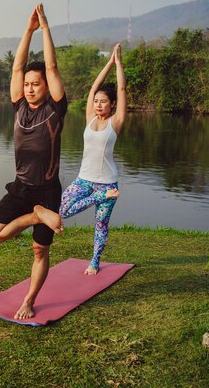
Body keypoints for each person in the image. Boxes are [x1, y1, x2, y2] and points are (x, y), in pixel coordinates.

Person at [0, 3, 66, 320]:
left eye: (37, 84)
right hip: (21, 189)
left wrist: (44, 28)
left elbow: (53, 66)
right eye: (28, 84)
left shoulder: (56, 109)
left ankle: (30, 299)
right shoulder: (19, 105)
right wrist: (27, 30)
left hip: (47, 191)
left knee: (40, 251)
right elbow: (17, 69)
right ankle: (36, 217)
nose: (30, 89)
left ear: (47, 87)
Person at [59, 43, 127, 275]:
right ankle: (101, 197)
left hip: (108, 181)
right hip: (84, 180)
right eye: (96, 101)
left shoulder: (115, 123)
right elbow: (93, 89)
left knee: (100, 225)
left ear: (112, 105)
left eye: (103, 101)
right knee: (62, 211)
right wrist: (108, 63)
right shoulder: (89, 117)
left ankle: (94, 262)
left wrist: (118, 64)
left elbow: (122, 90)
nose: (98, 104)